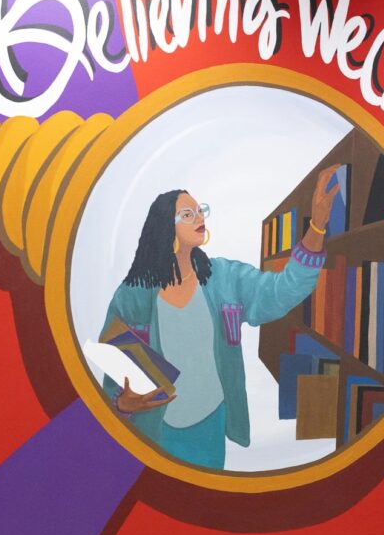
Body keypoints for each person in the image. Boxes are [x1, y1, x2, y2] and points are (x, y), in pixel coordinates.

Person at [102, 165, 340, 469]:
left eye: (200, 210)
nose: (200, 217)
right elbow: (112, 370)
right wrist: (122, 404)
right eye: (188, 214)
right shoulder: (132, 295)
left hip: (210, 422)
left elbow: (283, 290)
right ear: (164, 228)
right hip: (154, 431)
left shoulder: (224, 278)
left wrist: (316, 227)